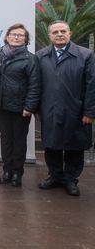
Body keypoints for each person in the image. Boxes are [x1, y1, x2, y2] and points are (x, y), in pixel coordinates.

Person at [37, 21, 94, 196]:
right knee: (51, 145)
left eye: (63, 31)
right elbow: (36, 84)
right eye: (55, 32)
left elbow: (92, 84)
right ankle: (55, 177)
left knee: (74, 147)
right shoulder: (41, 56)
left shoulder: (86, 55)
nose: (59, 34)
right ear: (50, 36)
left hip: (76, 111)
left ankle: (70, 180)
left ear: (70, 33)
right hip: (49, 109)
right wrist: (37, 109)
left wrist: (90, 111)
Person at [0, 24, 40, 187]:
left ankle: (17, 173)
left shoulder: (31, 59)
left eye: (20, 35)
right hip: (1, 106)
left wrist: (29, 107)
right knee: (5, 140)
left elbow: (35, 85)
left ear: (26, 40)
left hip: (21, 108)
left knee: (19, 141)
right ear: (6, 37)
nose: (16, 37)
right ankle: (6, 171)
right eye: (13, 34)